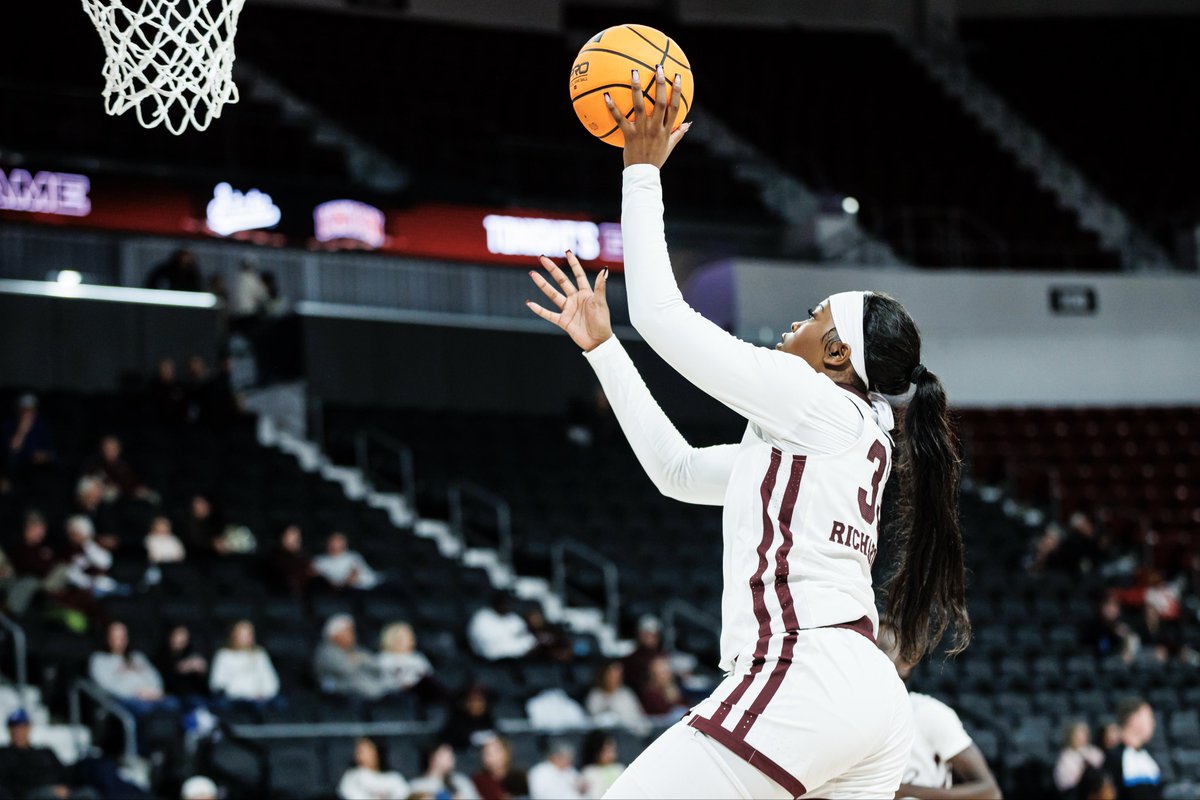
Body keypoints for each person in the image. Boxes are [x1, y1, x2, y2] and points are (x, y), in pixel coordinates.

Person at [525, 68, 967, 798]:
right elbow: (676, 471)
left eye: (814, 317)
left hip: (806, 675)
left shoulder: (815, 403)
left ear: (836, 356)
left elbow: (663, 316)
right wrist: (603, 349)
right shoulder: (843, 436)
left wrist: (640, 172)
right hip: (871, 699)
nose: (796, 323)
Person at [878, 626, 1001, 799]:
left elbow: (989, 792)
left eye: (881, 649)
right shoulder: (845, 715)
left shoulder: (926, 712)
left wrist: (904, 791)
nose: (872, 656)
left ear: (906, 661)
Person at [0, 709, 98, 800]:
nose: (18, 732)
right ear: (9, 730)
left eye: (21, 727)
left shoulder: (45, 752)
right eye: (14, 727)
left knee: (89, 793)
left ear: (29, 727)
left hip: (59, 792)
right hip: (32, 795)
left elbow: (63, 773)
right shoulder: (4, 755)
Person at [88, 621, 178, 717]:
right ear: (107, 637)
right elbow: (107, 685)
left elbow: (154, 676)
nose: (120, 640)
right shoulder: (99, 660)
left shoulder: (137, 657)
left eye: (123, 636)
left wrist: (154, 692)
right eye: (115, 636)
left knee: (173, 703)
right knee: (145, 708)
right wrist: (136, 692)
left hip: (150, 695)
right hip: (123, 699)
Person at [314, 614, 389, 700]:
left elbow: (376, 664)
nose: (352, 635)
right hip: (339, 694)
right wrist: (359, 660)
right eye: (347, 632)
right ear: (335, 635)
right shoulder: (326, 651)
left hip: (366, 690)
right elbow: (345, 669)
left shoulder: (354, 649)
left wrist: (358, 659)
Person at [210, 620, 280, 707]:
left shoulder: (259, 654)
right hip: (234, 700)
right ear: (234, 635)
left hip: (259, 699)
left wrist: (263, 694)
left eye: (248, 635)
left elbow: (271, 681)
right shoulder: (223, 655)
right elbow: (216, 683)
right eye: (241, 635)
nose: (245, 638)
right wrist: (241, 693)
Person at [1105, 698, 1162, 800]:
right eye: (1149, 717)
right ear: (1133, 719)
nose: (1153, 723)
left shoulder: (1148, 757)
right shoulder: (1114, 758)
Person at [377, 621, 441, 700]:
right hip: (392, 695)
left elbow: (428, 676)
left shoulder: (418, 658)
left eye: (410, 636)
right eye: (402, 637)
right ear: (391, 639)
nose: (409, 640)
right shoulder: (383, 658)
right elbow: (382, 681)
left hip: (418, 694)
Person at [84, 435, 156, 504]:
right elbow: (88, 485)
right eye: (107, 448)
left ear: (119, 449)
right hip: (102, 500)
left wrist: (139, 490)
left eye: (113, 448)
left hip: (126, 500)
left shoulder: (124, 466)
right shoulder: (95, 466)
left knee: (152, 497)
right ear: (102, 449)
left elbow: (133, 484)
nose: (110, 451)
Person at [2, 393, 55, 483]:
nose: (27, 413)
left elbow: (51, 450)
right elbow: (12, 450)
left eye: (31, 410)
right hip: (16, 465)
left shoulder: (41, 426)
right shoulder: (9, 425)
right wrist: (22, 430)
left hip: (37, 466)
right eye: (24, 410)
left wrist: (44, 456)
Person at [467, 593, 536, 661]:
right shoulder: (481, 618)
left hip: (516, 662)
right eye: (504, 603)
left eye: (509, 603)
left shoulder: (513, 618)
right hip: (487, 664)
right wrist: (518, 646)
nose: (507, 606)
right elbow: (489, 650)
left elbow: (529, 640)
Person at [585, 661, 649, 733]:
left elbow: (640, 717)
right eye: (611, 674)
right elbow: (594, 722)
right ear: (604, 675)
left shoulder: (626, 693)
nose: (615, 677)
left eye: (618, 674)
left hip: (631, 735)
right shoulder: (595, 696)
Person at [338, 737, 409, 800]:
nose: (359, 756)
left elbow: (405, 795)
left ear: (377, 751)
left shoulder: (394, 778)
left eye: (365, 751)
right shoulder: (351, 777)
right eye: (359, 752)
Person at [157, 624, 209, 702]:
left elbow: (202, 683)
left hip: (193, 693)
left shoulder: (191, 653)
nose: (181, 639)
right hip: (171, 693)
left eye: (184, 636)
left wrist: (199, 669)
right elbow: (163, 678)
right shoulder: (161, 655)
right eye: (177, 635)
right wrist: (179, 668)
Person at [408, 743, 479, 799]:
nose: (451, 759)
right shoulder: (417, 785)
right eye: (445, 755)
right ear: (432, 758)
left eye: (451, 755)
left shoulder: (460, 781)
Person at [265, 524, 319, 598]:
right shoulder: (275, 557)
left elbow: (312, 574)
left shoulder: (304, 556)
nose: (296, 539)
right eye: (292, 535)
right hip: (283, 597)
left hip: (306, 596)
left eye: (298, 536)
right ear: (282, 537)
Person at [313, 532, 380, 590]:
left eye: (338, 542)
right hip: (338, 593)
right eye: (332, 542)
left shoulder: (353, 556)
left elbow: (357, 576)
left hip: (368, 586)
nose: (335, 545)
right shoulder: (319, 560)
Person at [440, 683, 497, 751]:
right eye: (471, 700)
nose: (475, 704)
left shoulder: (493, 722)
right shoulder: (455, 725)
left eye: (479, 700)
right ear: (465, 704)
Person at [1055, 721, 1106, 796]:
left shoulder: (1095, 752)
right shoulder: (1065, 756)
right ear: (1071, 736)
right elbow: (1064, 783)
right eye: (1077, 735)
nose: (1080, 738)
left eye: (1083, 734)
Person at [471, 735, 528, 800]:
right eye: (486, 752)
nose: (490, 756)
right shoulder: (478, 780)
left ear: (506, 753)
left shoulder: (520, 778)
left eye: (495, 751)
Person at [621, 615, 665, 696]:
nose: (649, 638)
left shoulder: (663, 655)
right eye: (646, 634)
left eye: (653, 635)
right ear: (639, 635)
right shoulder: (631, 659)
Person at [579, 731, 625, 799]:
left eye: (613, 751)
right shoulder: (589, 772)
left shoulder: (619, 768)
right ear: (596, 752)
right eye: (607, 751)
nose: (611, 755)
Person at [144, 358, 189, 425]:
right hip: (158, 424)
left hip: (178, 424)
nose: (166, 371)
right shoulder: (153, 387)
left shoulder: (180, 387)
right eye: (164, 368)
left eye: (169, 369)